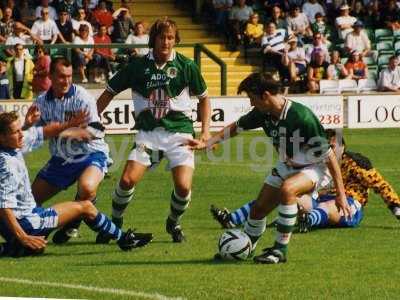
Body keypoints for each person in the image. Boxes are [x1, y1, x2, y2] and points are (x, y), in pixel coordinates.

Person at [188, 72, 350, 264]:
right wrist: (209, 142)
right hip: (288, 165)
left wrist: (340, 193)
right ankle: (246, 246)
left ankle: (280, 250)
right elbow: (237, 127)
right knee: (258, 210)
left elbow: (330, 156)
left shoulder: (301, 116)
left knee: (288, 189)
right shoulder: (263, 113)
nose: (250, 103)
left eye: (252, 98)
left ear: (265, 95)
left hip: (315, 167)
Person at [95, 18, 211, 244]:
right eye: (162, 37)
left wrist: (205, 131)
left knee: (183, 186)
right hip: (148, 134)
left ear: (175, 40)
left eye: (170, 38)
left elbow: (205, 99)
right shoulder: (137, 66)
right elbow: (109, 92)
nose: (166, 42)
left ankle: (173, 222)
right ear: (154, 39)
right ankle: (115, 223)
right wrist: (93, 118)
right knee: (127, 180)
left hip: (180, 133)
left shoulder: (186, 66)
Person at [0, 110, 153, 257]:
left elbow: (41, 133)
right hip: (28, 224)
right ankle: (125, 239)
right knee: (85, 206)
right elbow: (4, 205)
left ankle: (14, 247)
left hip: (18, 222)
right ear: (2, 137)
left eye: (21, 130)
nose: (22, 135)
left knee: (34, 246)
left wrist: (28, 125)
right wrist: (23, 236)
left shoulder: (10, 148)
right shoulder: (7, 164)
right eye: (16, 132)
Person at [210, 129, 400, 230]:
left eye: (333, 146)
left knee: (328, 207)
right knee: (286, 193)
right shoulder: (318, 161)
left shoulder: (357, 162)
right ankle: (233, 219)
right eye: (327, 146)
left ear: (343, 147)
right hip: (318, 199)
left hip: (349, 204)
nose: (330, 150)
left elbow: (381, 185)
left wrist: (396, 207)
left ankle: (306, 221)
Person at [30, 57, 110, 245]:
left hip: (91, 154)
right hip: (61, 159)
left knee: (87, 188)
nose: (66, 81)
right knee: (30, 201)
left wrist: (61, 131)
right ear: (50, 77)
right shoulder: (41, 101)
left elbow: (95, 131)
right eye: (61, 76)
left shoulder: (82, 97)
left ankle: (72, 223)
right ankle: (37, 232)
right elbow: (36, 133)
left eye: (68, 76)